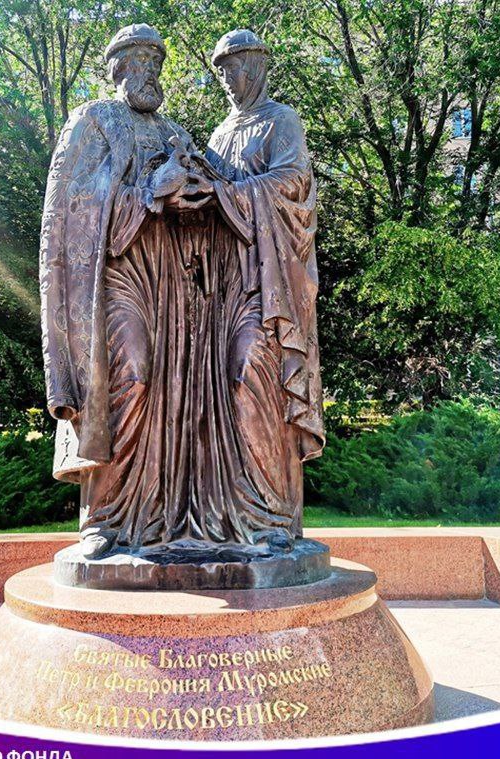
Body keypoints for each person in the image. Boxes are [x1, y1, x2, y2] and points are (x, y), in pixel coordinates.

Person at [39, 24, 213, 559]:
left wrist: (194, 196)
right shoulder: (94, 119)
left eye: (156, 63)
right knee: (130, 377)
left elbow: (204, 193)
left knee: (172, 390)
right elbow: (76, 208)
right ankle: (104, 517)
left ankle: (165, 518)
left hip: (172, 279)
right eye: (139, 62)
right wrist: (149, 193)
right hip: (113, 275)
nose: (150, 73)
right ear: (116, 67)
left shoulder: (175, 131)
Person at [193, 29, 325, 552]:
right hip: (222, 282)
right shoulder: (220, 133)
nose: (226, 78)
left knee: (251, 374)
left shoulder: (280, 120)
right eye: (220, 70)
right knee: (217, 391)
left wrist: (225, 191)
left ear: (256, 66)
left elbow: (292, 183)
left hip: (266, 280)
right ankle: (228, 517)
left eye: (233, 67)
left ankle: (271, 515)